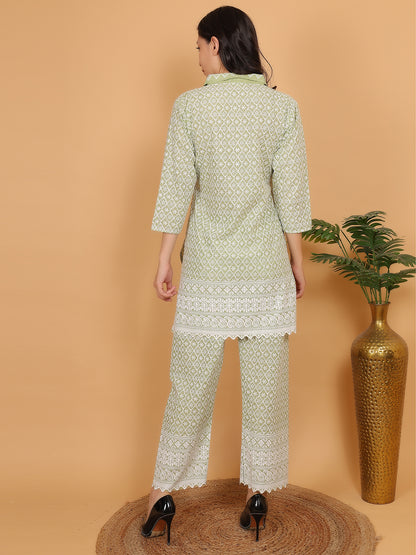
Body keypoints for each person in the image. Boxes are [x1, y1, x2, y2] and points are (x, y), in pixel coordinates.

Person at [141, 6, 312, 545]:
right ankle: (258, 496)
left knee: (190, 384)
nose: (196, 57)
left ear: (215, 44)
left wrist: (165, 258)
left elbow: (177, 188)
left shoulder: (190, 108)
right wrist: (297, 261)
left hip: (209, 271)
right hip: (264, 269)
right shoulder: (281, 108)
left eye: (198, 46)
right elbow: (291, 195)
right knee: (266, 385)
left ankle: (162, 496)